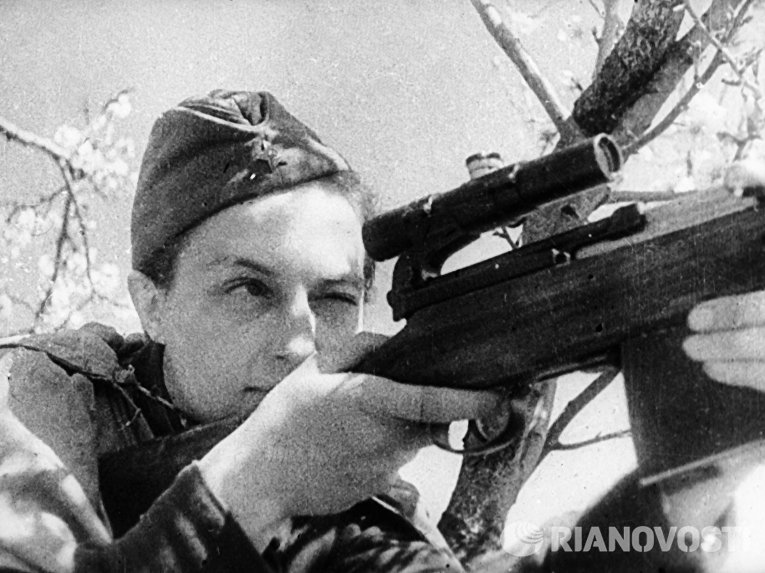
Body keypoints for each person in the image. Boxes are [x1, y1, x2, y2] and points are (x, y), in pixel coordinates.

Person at [0, 90, 502, 572]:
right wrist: (259, 481)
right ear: (153, 306)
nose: (301, 344)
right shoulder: (36, 391)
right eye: (249, 289)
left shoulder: (366, 485)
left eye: (334, 298)